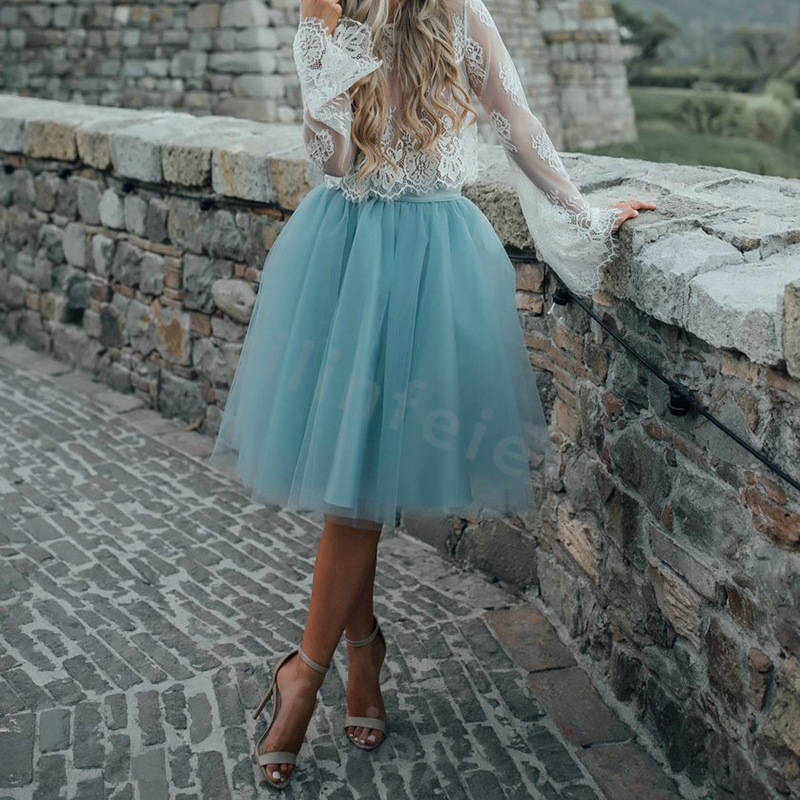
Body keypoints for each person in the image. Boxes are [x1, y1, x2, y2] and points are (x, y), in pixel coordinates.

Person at [206, 0, 656, 789]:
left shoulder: (458, 14)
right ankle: (339, 663)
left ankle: (325, 666)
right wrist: (330, 49)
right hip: (345, 255)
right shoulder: (329, 13)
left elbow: (515, 121)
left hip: (433, 262)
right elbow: (333, 160)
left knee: (359, 480)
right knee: (354, 482)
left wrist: (582, 216)